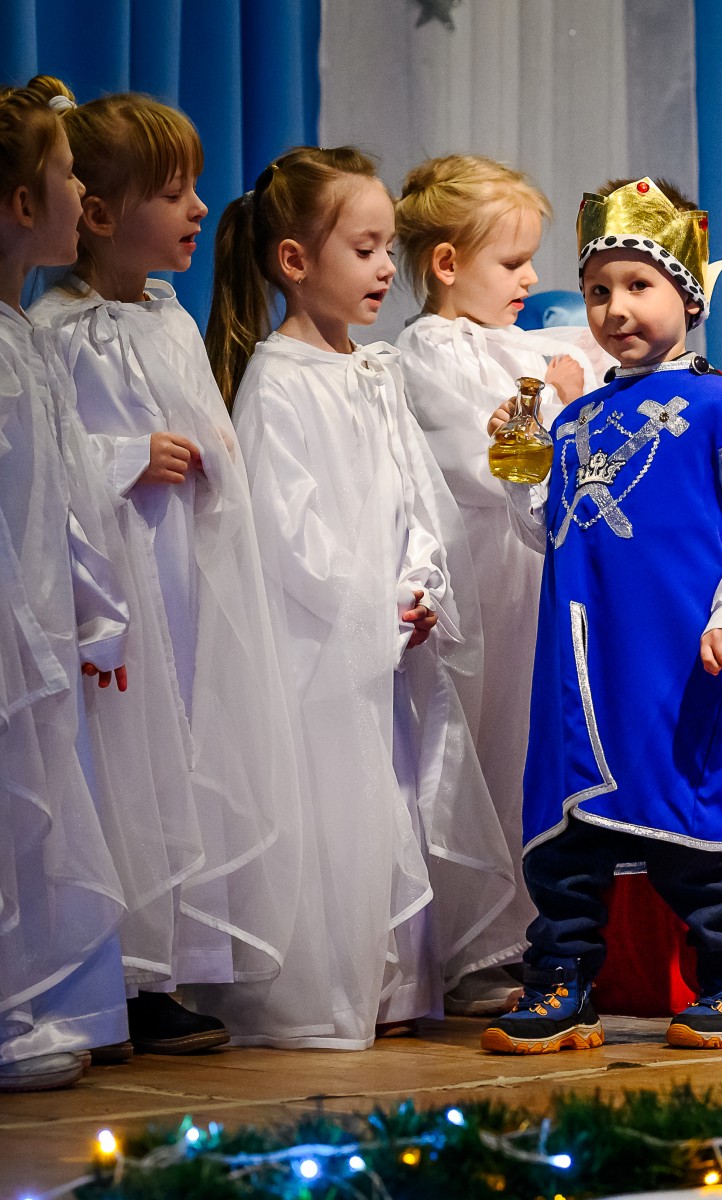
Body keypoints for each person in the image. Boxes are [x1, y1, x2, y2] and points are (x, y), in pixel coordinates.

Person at [480, 177, 722, 1053]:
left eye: (639, 285)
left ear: (690, 297)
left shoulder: (721, 411)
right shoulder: (577, 421)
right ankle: (561, 981)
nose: (615, 308)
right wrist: (524, 465)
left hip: (676, 663)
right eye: (598, 290)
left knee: (689, 830)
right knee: (570, 838)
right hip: (581, 668)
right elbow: (548, 532)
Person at [202, 145, 517, 1048]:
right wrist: (371, 605)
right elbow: (287, 535)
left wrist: (418, 583)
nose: (386, 268)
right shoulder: (278, 382)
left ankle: (391, 978)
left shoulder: (373, 372)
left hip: (384, 638)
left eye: (386, 249)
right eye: (365, 249)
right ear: (295, 261)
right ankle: (324, 985)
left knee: (392, 794)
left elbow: (417, 496)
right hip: (321, 651)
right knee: (336, 799)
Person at [29, 86, 303, 1056]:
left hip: (181, 577)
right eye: (173, 192)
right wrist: (127, 458)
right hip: (111, 590)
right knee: (120, 769)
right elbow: (45, 468)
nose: (197, 209)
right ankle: (116, 972)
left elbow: (212, 440)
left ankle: (170, 962)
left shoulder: (169, 321)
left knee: (179, 758)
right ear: (100, 215)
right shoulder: (54, 331)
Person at [393, 153, 601, 1015]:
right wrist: (555, 401)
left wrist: (566, 393)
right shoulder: (423, 353)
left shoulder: (520, 345)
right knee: (469, 750)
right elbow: (489, 462)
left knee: (521, 752)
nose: (530, 279)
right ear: (448, 264)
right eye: (512, 262)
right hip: (474, 581)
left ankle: (525, 934)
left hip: (528, 583)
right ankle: (465, 944)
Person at [0, 75, 130, 1092]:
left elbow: (67, 495)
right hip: (12, 620)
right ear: (19, 203)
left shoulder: (23, 341)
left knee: (33, 803)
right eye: (66, 172)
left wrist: (94, 609)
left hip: (37, 619)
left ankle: (25, 999)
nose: (81, 189)